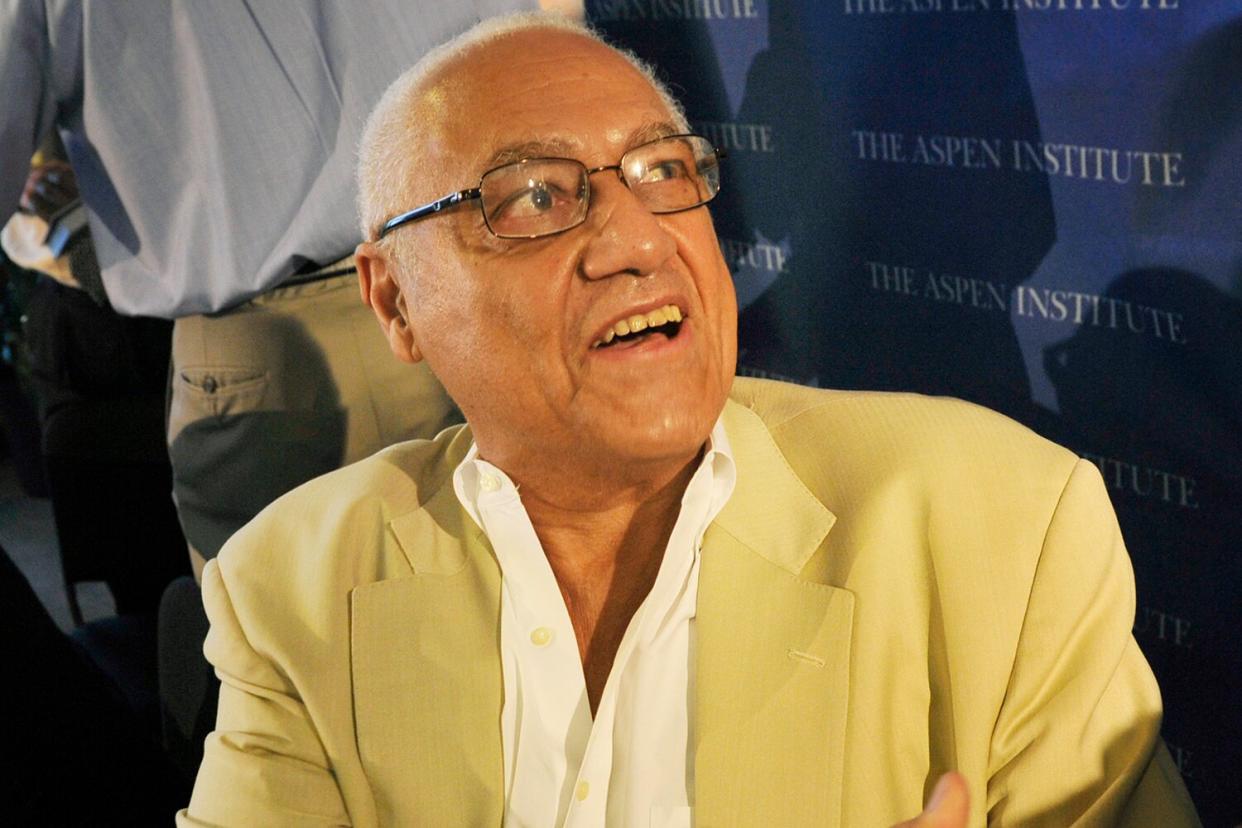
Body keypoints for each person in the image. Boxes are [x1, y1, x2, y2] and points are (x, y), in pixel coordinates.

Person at [179, 13, 1201, 827]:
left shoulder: (998, 533)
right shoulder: (294, 592)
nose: (634, 239)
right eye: (535, 196)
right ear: (395, 300)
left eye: (665, 171)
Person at [0, 0, 540, 577]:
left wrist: (60, 235)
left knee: (300, 650)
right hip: (489, 285)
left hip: (270, 362)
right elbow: (542, 56)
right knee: (527, 623)